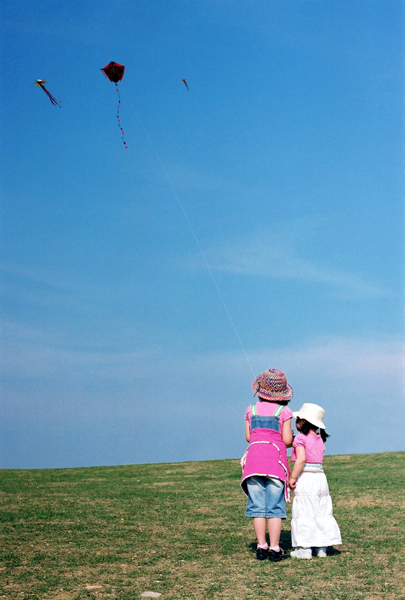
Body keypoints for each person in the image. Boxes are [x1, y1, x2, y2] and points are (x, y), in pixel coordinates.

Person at [241, 368, 293, 561]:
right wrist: (291, 438)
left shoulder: (250, 409)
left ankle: (261, 546)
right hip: (275, 464)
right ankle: (275, 548)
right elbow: (287, 440)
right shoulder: (284, 411)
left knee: (257, 507)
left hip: (253, 464)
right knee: (274, 508)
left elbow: (249, 437)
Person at [289, 403, 342, 559]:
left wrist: (292, 477)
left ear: (303, 421)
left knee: (304, 511)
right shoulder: (320, 439)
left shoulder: (300, 438)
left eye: (297, 419)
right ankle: (321, 547)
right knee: (321, 511)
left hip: (306, 477)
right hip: (320, 477)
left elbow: (301, 459)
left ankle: (304, 549)